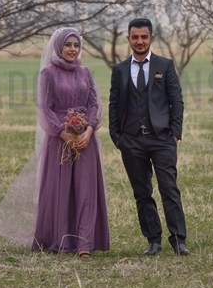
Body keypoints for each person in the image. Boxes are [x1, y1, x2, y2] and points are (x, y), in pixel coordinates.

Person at [109, 18, 189, 256]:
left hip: (162, 139)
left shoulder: (165, 66)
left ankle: (178, 240)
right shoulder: (119, 70)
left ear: (151, 38)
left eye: (144, 37)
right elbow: (114, 104)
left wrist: (175, 134)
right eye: (135, 37)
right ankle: (153, 240)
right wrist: (116, 137)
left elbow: (177, 102)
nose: (140, 41)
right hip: (131, 141)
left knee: (169, 189)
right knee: (142, 192)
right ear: (129, 39)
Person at [32, 27, 110, 256]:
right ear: (59, 46)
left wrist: (88, 130)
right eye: (68, 45)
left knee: (86, 189)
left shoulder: (86, 73)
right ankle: (63, 241)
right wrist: (63, 133)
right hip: (59, 141)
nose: (72, 50)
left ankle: (84, 244)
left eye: (76, 45)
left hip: (85, 140)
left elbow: (94, 104)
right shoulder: (47, 73)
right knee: (62, 190)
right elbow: (44, 108)